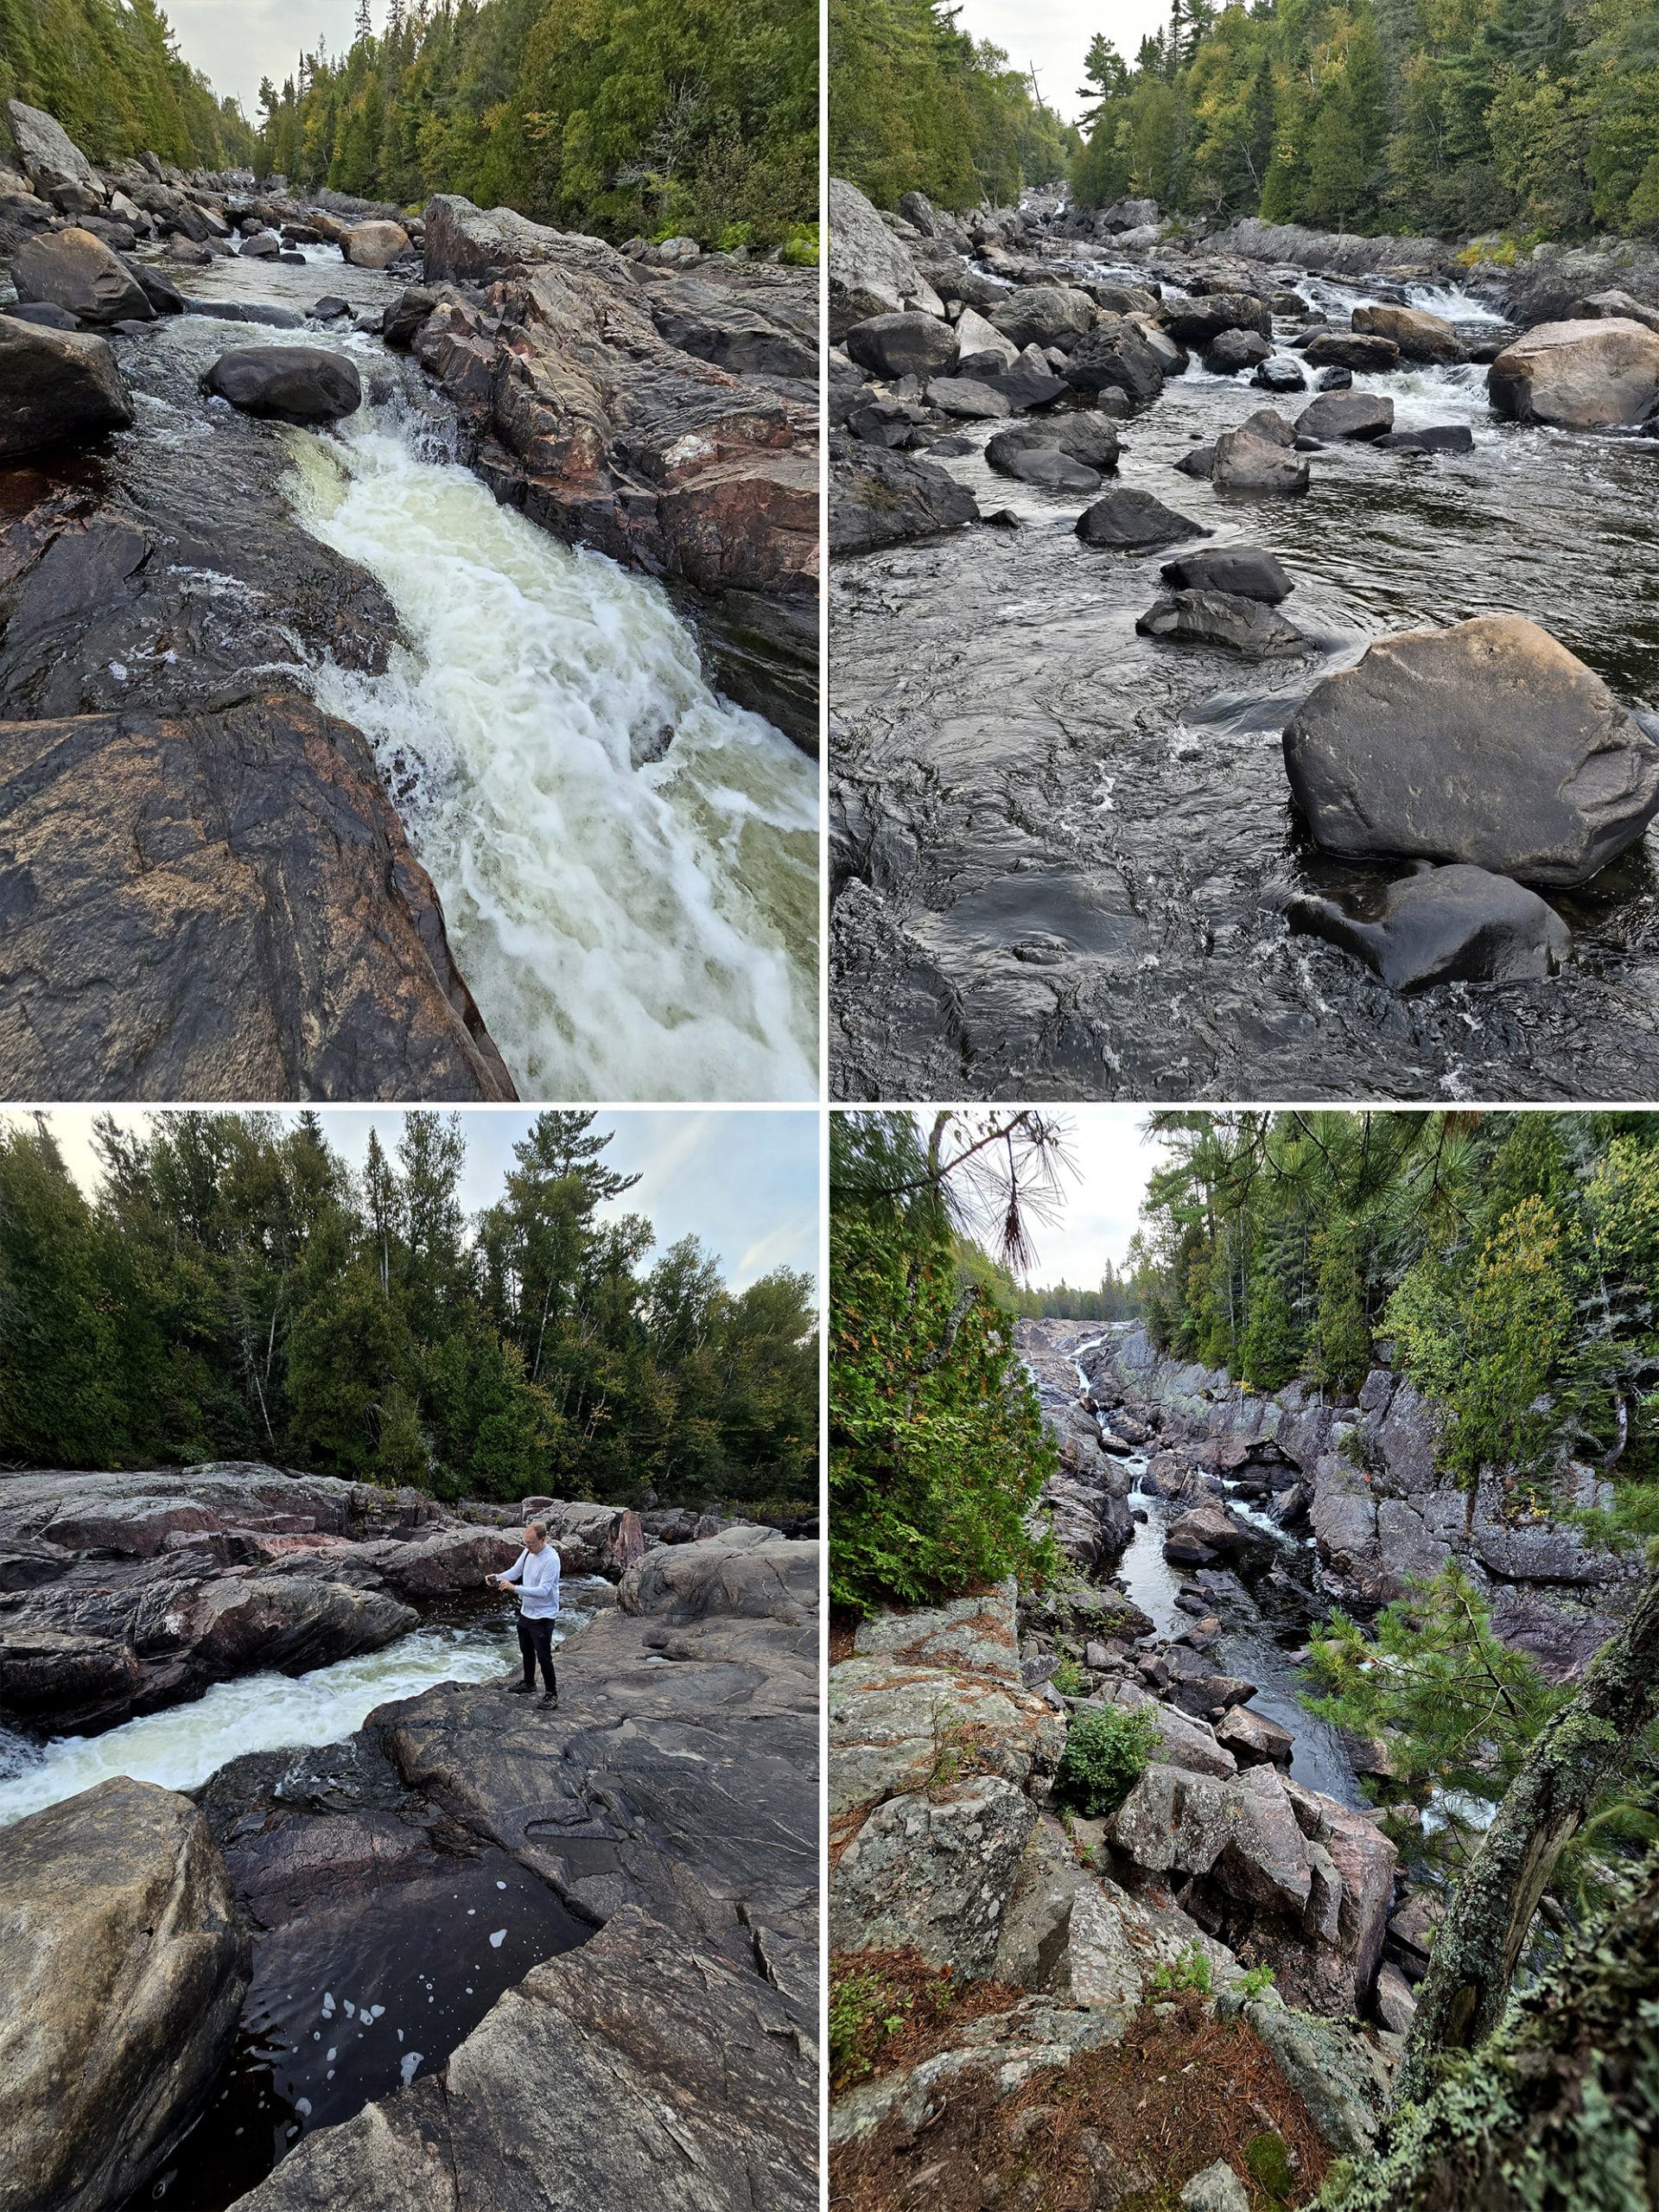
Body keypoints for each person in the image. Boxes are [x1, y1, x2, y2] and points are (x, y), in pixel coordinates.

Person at [488, 1520, 562, 1705]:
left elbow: (543, 1590)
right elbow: (515, 1571)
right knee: (526, 1650)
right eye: (525, 1542)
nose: (527, 1546)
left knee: (544, 1656)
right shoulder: (528, 1551)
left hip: (544, 1615)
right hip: (526, 1611)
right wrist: (497, 1577)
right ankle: (529, 1683)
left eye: (531, 1543)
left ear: (543, 1539)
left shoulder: (551, 1559)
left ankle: (551, 1694)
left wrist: (514, 1589)